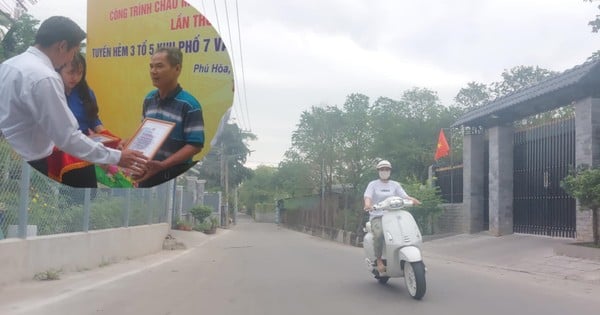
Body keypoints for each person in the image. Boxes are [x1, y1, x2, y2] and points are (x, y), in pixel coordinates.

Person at [0, 16, 147, 177]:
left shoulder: (9, 65)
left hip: (9, 155)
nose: (71, 59)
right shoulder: (45, 77)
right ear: (62, 46)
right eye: (74, 52)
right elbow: (67, 136)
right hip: (31, 163)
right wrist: (116, 157)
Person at [133, 47, 205, 187]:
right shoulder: (149, 99)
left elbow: (195, 145)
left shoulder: (190, 105)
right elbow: (144, 131)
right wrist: (128, 143)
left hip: (173, 176)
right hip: (146, 173)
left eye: (159, 66)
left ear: (177, 69)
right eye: (151, 66)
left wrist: (163, 165)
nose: (153, 71)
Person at [54, 52, 119, 187]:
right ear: (59, 69)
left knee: (88, 192)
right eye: (71, 72)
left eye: (80, 73)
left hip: (83, 148)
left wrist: (115, 140)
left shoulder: (86, 92)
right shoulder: (53, 91)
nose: (75, 78)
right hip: (59, 150)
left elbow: (94, 122)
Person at [363, 159, 421, 274]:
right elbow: (368, 196)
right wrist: (368, 204)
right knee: (379, 235)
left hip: (394, 216)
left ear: (390, 171)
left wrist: (413, 200)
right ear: (378, 171)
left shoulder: (395, 184)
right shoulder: (373, 184)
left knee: (408, 231)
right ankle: (379, 260)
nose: (384, 171)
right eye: (382, 169)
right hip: (378, 216)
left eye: (387, 169)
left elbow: (404, 196)